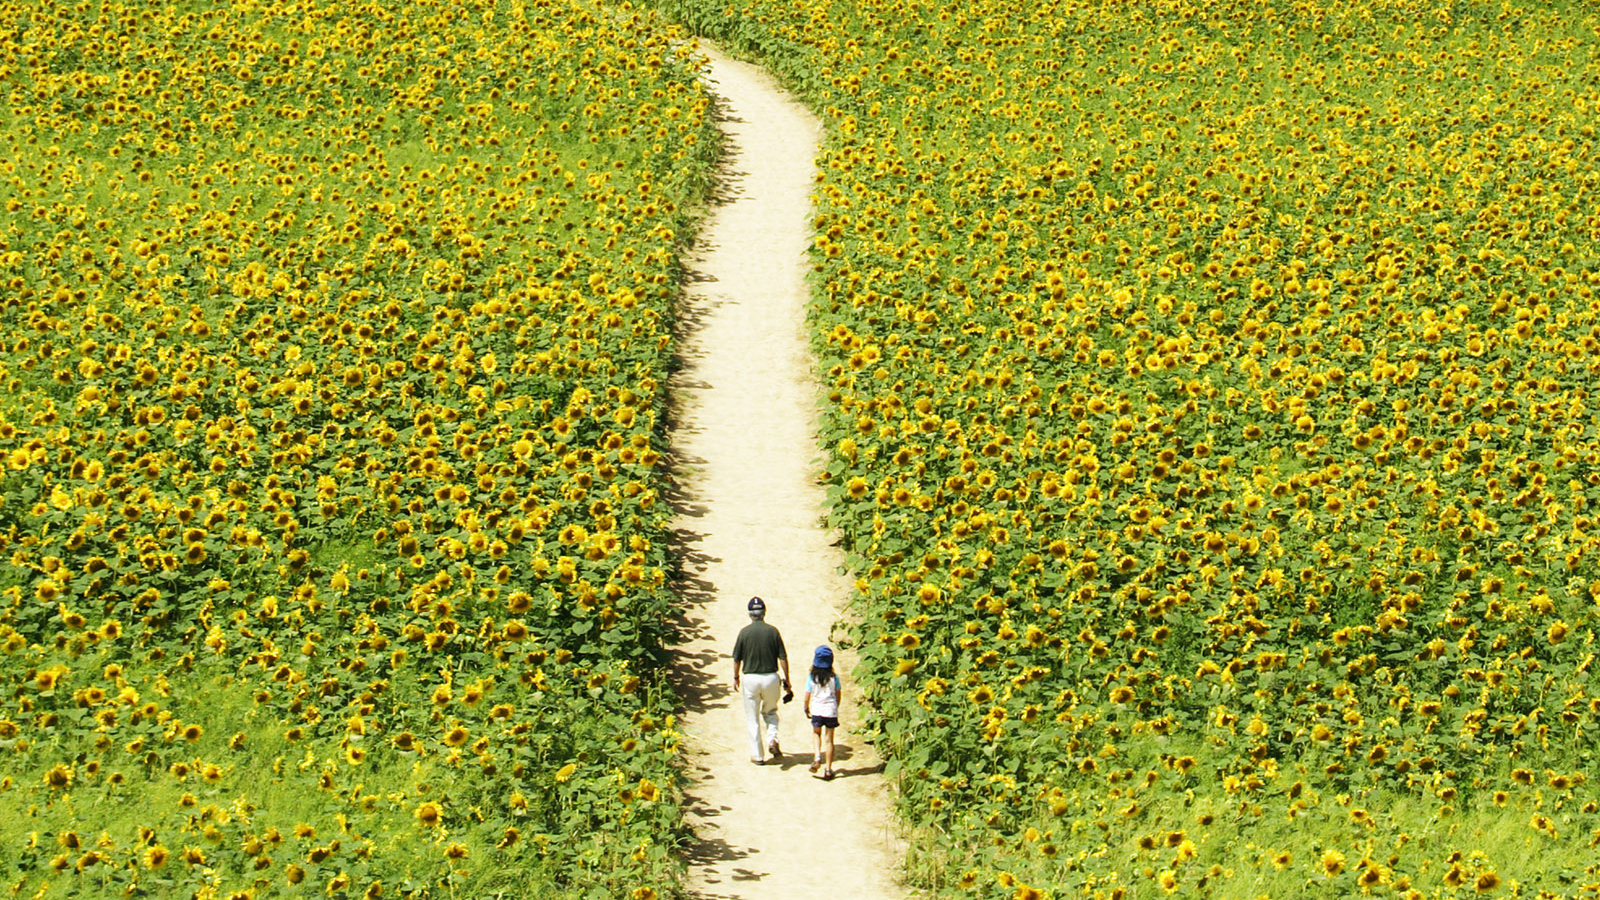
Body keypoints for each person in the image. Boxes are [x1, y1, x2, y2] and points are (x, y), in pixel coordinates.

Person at [731, 596, 790, 765]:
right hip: (771, 677)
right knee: (770, 712)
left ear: (750, 614)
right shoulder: (773, 631)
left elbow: (736, 658)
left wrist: (736, 677)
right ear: (764, 613)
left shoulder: (744, 632)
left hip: (750, 678)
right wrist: (787, 680)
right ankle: (772, 738)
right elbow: (783, 658)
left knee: (752, 718)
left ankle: (757, 755)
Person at [804, 645, 841, 779]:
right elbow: (838, 694)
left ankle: (817, 756)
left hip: (817, 709)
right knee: (829, 740)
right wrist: (836, 707)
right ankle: (828, 769)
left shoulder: (812, 678)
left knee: (816, 733)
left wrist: (806, 707)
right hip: (830, 710)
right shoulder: (834, 678)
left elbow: (807, 694)